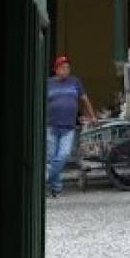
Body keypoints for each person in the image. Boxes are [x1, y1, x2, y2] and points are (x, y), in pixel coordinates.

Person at [44, 54, 97, 198]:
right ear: (56, 70)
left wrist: (92, 116)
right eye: (63, 68)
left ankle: (44, 178)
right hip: (51, 125)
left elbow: (84, 100)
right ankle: (56, 188)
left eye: (68, 67)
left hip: (68, 126)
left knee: (64, 154)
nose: (66, 70)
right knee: (51, 157)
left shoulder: (75, 82)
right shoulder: (48, 83)